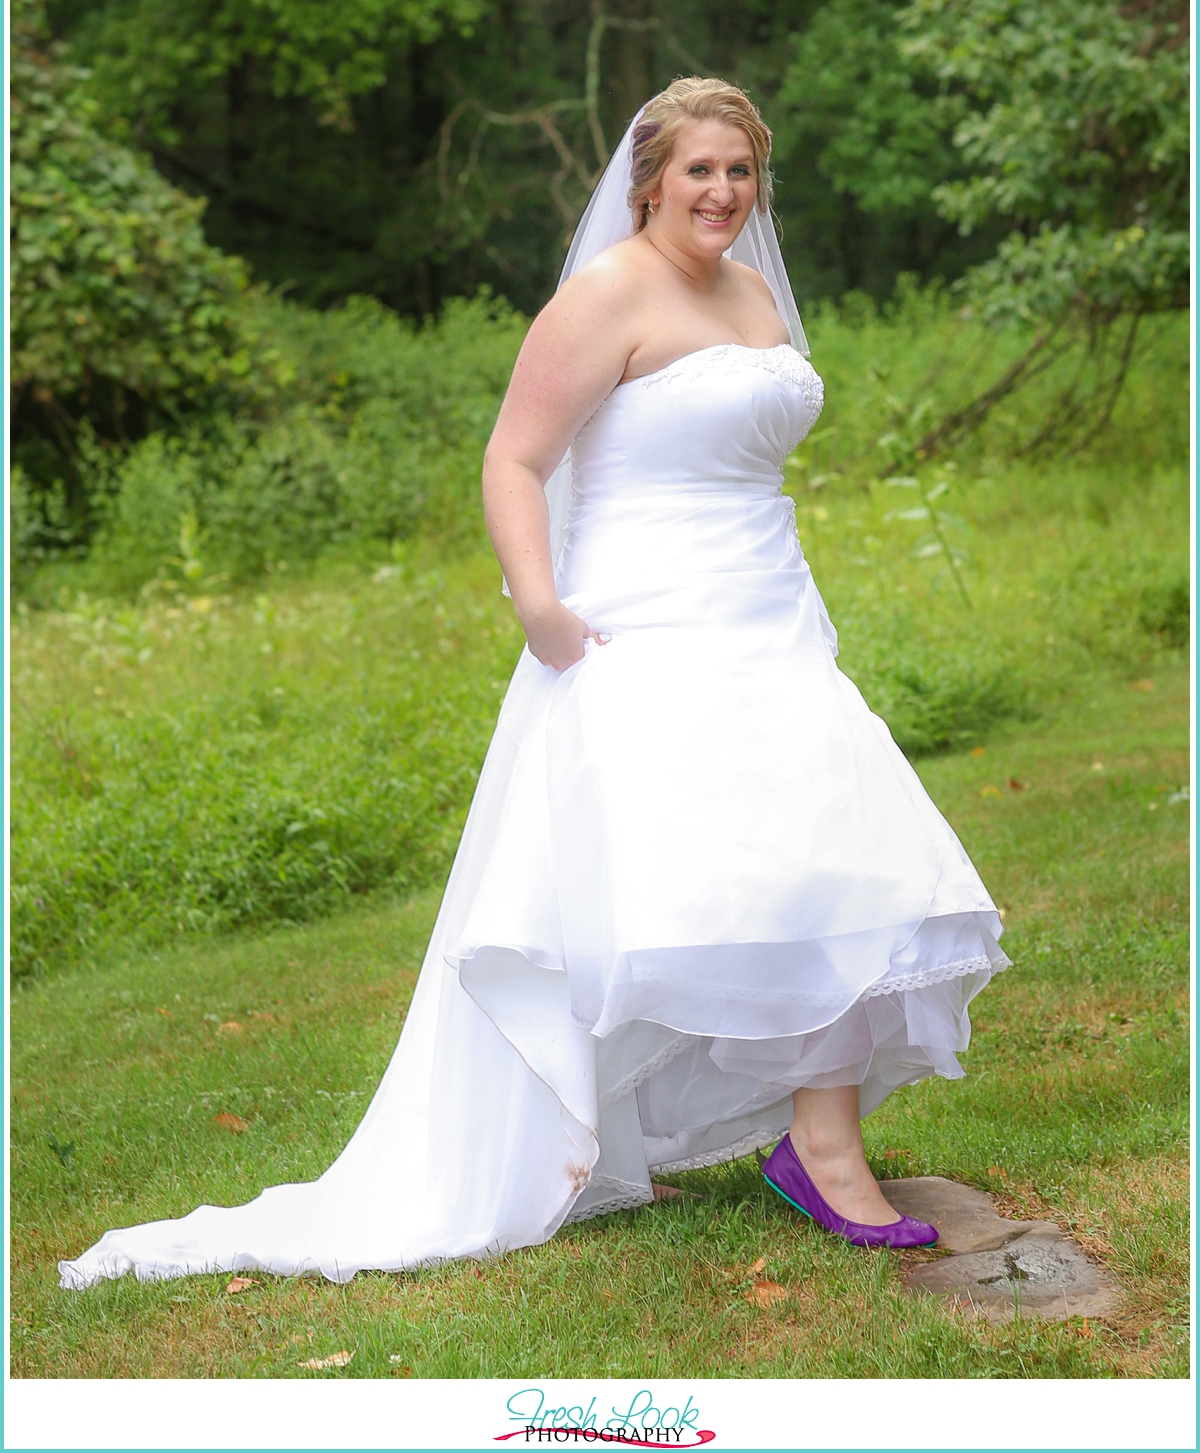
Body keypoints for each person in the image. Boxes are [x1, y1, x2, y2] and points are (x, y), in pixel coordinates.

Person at [59, 78, 1007, 1290]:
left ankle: (818, 1143)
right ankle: (595, 1139)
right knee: (625, 892)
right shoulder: (607, 291)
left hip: (765, 609)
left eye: (742, 171)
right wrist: (541, 604)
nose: (722, 193)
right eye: (699, 171)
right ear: (647, 179)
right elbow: (515, 455)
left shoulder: (756, 293)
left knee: (832, 858)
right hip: (636, 624)